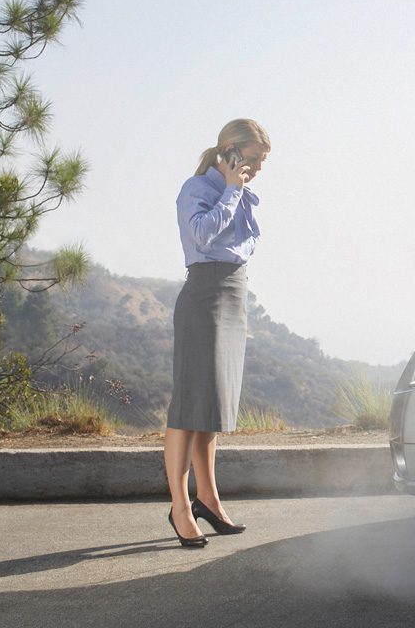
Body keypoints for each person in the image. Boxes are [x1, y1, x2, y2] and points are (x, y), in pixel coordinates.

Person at [164, 119, 271, 548]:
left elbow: (243, 247)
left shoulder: (238, 192)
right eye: (254, 159)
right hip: (204, 297)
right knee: (188, 407)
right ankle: (180, 507)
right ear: (231, 151)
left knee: (211, 407)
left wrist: (236, 190)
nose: (258, 168)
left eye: (262, 161)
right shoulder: (198, 189)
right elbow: (203, 235)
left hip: (233, 297)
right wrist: (231, 188)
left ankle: (208, 499)